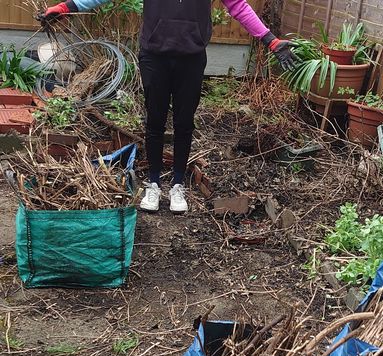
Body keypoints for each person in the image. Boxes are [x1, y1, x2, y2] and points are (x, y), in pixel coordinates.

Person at [43, 0, 296, 213]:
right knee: (154, 121)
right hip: (154, 57)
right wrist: (68, 6)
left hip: (191, 59)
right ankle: (153, 185)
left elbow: (238, 6)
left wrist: (270, 40)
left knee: (185, 123)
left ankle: (177, 186)